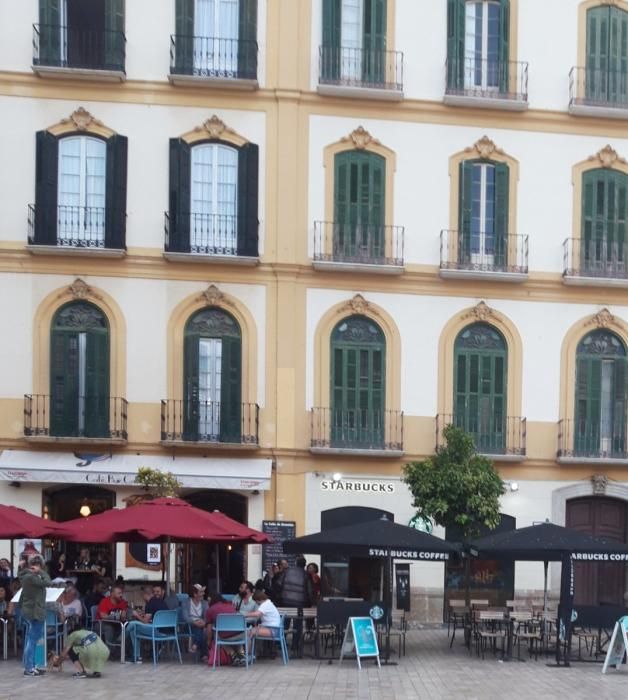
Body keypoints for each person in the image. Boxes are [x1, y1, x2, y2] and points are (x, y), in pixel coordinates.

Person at [19, 553, 51, 677]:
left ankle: (31, 665)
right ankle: (29, 668)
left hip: (28, 610)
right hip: (35, 612)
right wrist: (41, 572)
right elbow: (48, 582)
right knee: (32, 640)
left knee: (30, 639)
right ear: (38, 565)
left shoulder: (25, 575)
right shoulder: (32, 577)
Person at [125, 583, 169, 662]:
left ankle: (134, 654)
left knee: (133, 625)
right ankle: (136, 656)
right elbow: (152, 617)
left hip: (157, 631)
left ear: (145, 594)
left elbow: (145, 621)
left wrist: (136, 615)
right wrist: (143, 614)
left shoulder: (150, 603)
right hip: (168, 632)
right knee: (133, 628)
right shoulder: (161, 601)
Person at [280, 556, 311, 654]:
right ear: (305, 564)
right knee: (298, 625)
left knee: (285, 623)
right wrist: (309, 602)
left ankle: (282, 643)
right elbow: (310, 590)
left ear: (296, 563)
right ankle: (295, 645)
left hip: (286, 602)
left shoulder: (287, 572)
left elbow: (279, 584)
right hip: (300, 604)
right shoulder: (306, 574)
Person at [205, 592, 245, 666]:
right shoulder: (231, 606)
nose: (208, 602)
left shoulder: (210, 610)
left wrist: (209, 641)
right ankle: (241, 655)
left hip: (225, 636)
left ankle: (233, 655)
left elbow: (209, 628)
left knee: (217, 635)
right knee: (234, 633)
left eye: (208, 600)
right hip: (241, 635)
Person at [182, 584, 208, 655]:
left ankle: (195, 645)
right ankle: (203, 654)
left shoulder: (205, 603)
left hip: (201, 624)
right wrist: (194, 622)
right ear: (195, 594)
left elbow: (207, 616)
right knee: (200, 630)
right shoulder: (186, 602)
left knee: (204, 631)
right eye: (201, 592)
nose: (203, 594)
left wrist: (204, 622)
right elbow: (185, 617)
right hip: (189, 625)